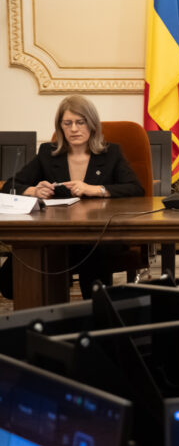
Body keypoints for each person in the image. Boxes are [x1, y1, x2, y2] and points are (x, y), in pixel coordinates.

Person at [0, 95, 145, 299]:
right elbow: (10, 186)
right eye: (67, 123)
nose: (74, 129)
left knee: (92, 258)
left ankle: (97, 311)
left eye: (80, 122)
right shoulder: (48, 153)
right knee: (11, 279)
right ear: (60, 126)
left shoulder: (111, 153)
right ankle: (45, 310)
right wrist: (34, 190)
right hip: (57, 235)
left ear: (92, 124)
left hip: (100, 235)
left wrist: (97, 189)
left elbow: (136, 188)